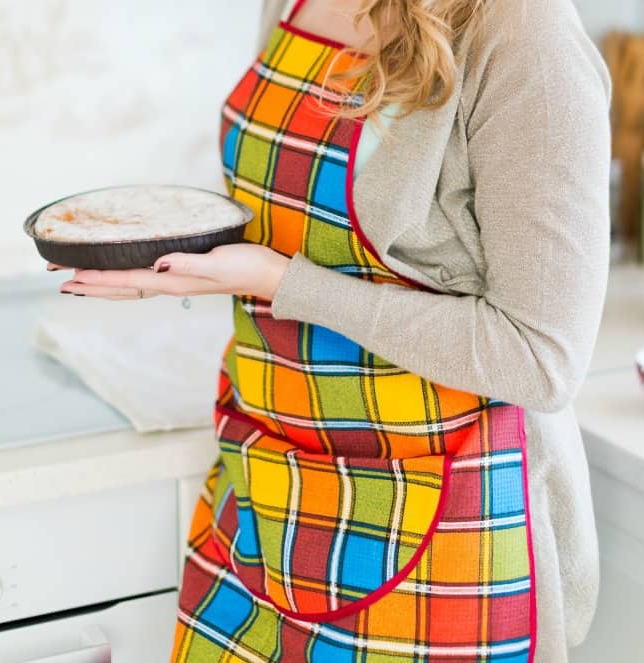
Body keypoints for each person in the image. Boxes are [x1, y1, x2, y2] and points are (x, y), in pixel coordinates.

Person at [50, 0, 611, 660]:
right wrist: (180, 259)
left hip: (443, 530)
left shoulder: (525, 35)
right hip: (268, 490)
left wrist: (282, 283)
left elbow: (538, 356)